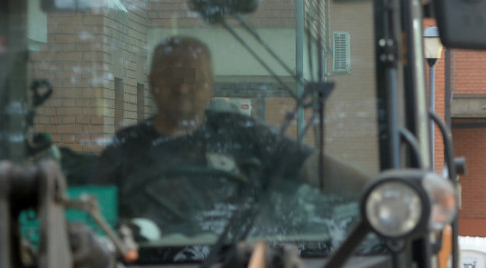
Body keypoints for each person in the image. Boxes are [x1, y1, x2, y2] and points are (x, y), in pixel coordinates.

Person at [91, 36, 369, 237]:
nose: (182, 86)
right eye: (170, 76)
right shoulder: (125, 148)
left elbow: (312, 167)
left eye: (193, 77)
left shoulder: (243, 134)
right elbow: (93, 216)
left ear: (210, 86)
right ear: (153, 84)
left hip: (248, 267)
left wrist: (379, 192)